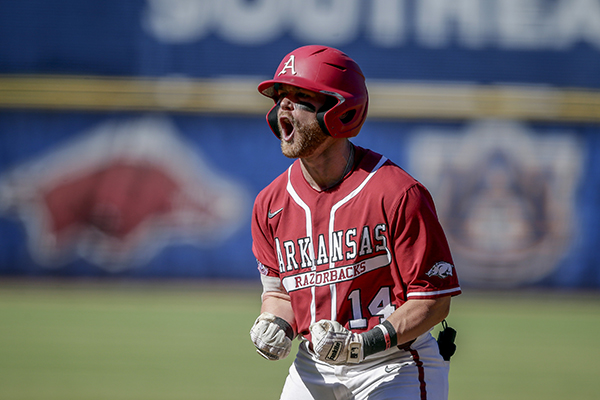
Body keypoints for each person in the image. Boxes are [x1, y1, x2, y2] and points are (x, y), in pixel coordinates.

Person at [249, 45, 461, 400]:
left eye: (301, 97)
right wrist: (276, 323)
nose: (284, 106)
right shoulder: (271, 204)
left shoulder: (397, 192)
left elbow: (432, 301)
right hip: (313, 367)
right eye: (281, 96)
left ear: (341, 112)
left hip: (394, 364)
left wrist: (363, 344)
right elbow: (279, 293)